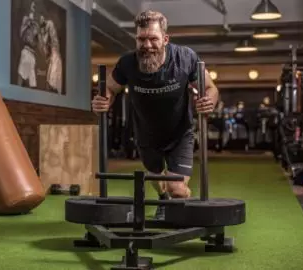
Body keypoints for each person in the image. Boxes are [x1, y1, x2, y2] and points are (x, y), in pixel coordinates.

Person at [91, 10, 219, 220]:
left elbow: (211, 89)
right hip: (146, 133)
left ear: (165, 39)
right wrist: (101, 99)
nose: (147, 45)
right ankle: (162, 200)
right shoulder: (127, 63)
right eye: (142, 39)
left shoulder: (185, 58)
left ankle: (181, 207)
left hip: (180, 132)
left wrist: (208, 102)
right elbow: (110, 89)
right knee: (155, 174)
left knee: (176, 189)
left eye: (153, 39)